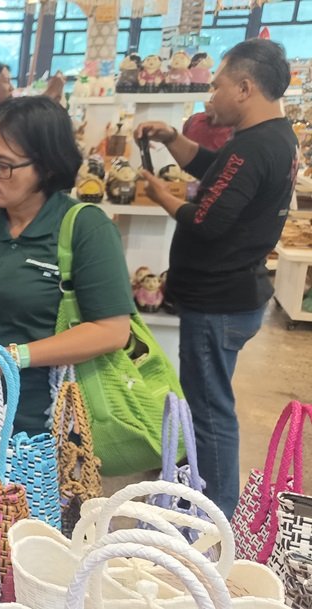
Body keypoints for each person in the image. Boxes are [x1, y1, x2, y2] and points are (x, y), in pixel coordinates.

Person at [136, 38, 298, 518]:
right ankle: (208, 496)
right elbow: (216, 172)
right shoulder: (271, 138)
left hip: (218, 301)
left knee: (210, 413)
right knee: (211, 404)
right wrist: (171, 138)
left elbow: (207, 220)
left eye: (219, 85)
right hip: (234, 295)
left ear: (245, 88)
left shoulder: (253, 147)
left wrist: (159, 194)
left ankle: (215, 513)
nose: (211, 96)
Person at [0, 96, 134, 434]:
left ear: (47, 165)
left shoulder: (84, 227)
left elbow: (111, 330)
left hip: (50, 417)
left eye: (4, 165)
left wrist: (12, 357)